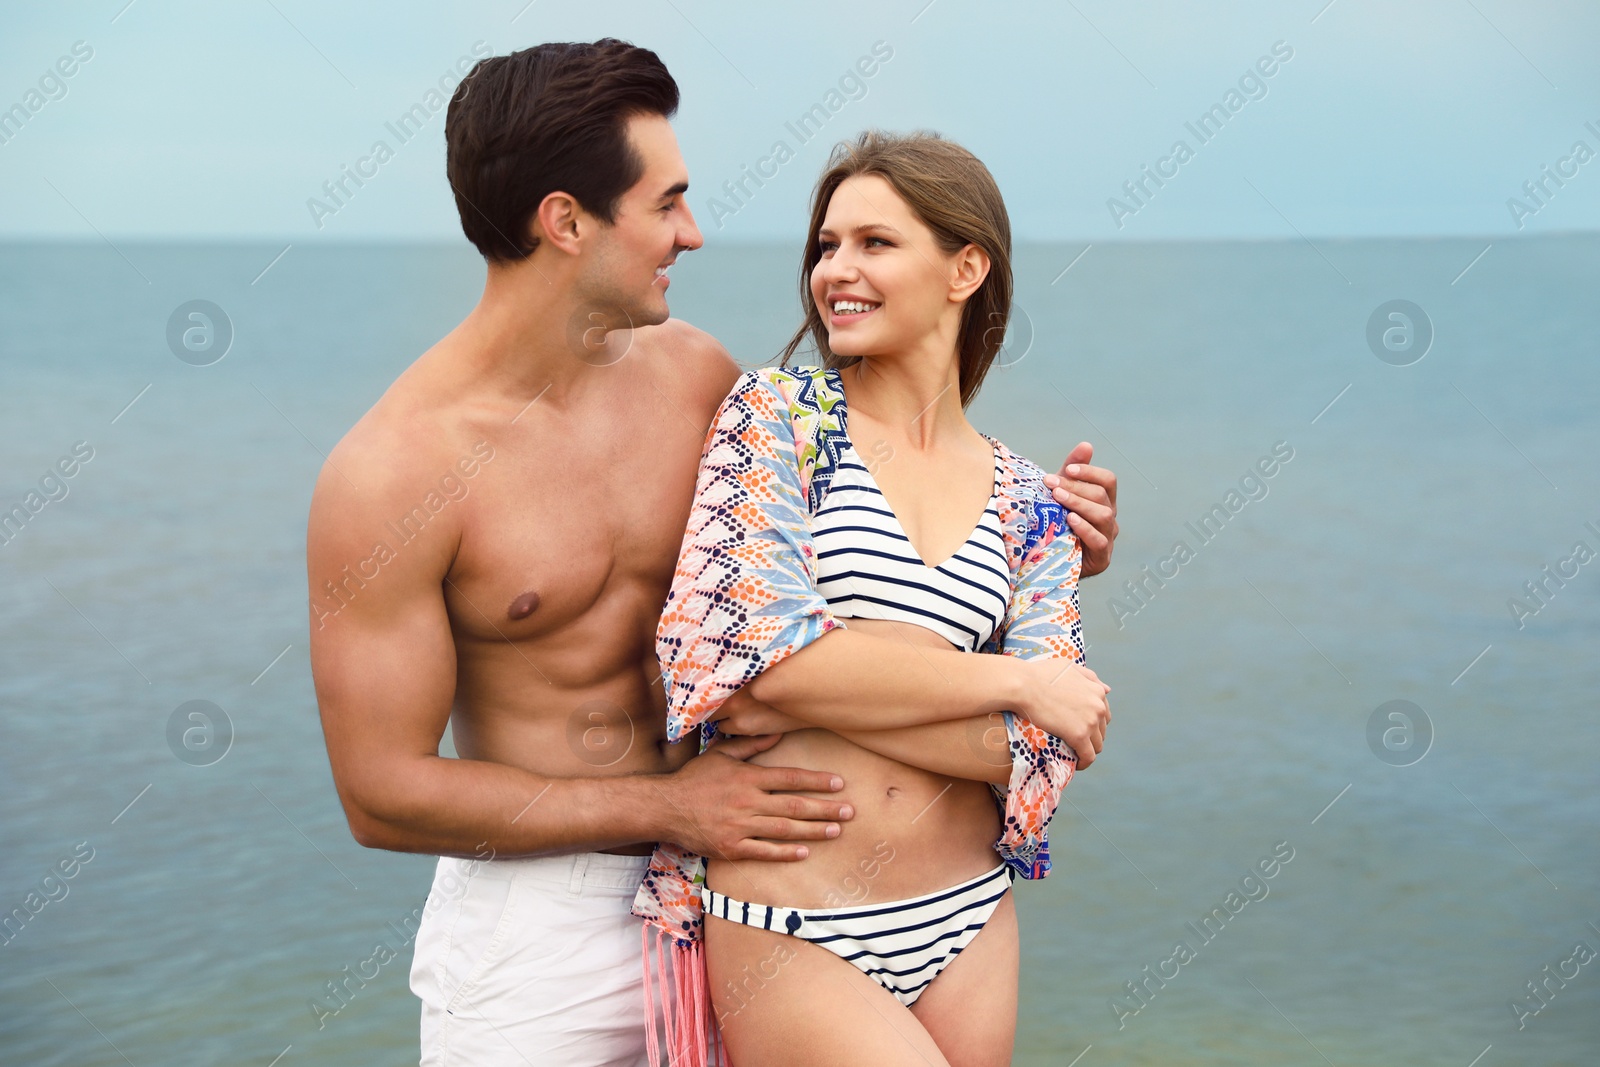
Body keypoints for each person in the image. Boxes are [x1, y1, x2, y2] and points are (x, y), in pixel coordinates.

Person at [305, 40, 1121, 1067]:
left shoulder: (696, 380)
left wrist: (1042, 542)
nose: (692, 234)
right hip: (539, 927)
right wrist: (669, 801)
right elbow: (378, 790)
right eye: (666, 204)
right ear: (566, 221)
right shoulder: (392, 473)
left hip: (733, 878)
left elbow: (854, 521)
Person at [633, 131, 1106, 1067]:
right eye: (826, 246)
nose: (834, 271)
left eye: (874, 243)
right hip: (793, 924)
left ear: (965, 267)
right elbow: (734, 668)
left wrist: (824, 679)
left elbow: (1046, 750)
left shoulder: (1033, 502)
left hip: (968, 916)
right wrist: (1010, 678)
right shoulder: (776, 418)